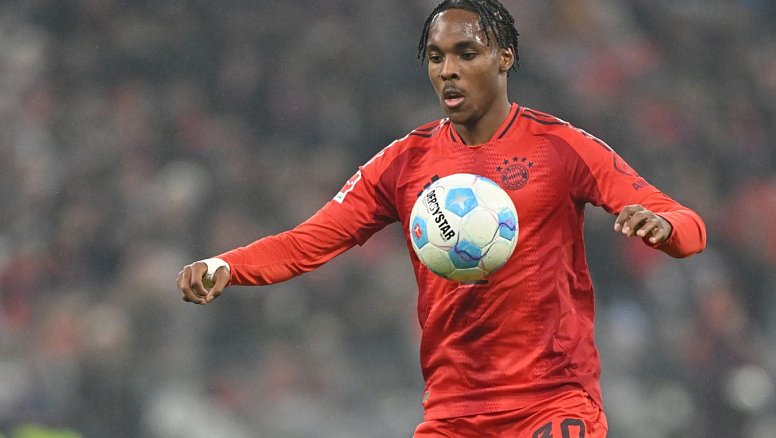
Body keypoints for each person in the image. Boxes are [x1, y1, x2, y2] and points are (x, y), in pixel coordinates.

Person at [176, 0, 706, 436]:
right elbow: (307, 242)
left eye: (465, 53)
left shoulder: (560, 148)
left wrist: (664, 228)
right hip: (454, 415)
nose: (447, 70)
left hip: (551, 402)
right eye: (435, 57)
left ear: (504, 57)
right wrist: (226, 264)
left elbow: (687, 226)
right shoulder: (404, 163)